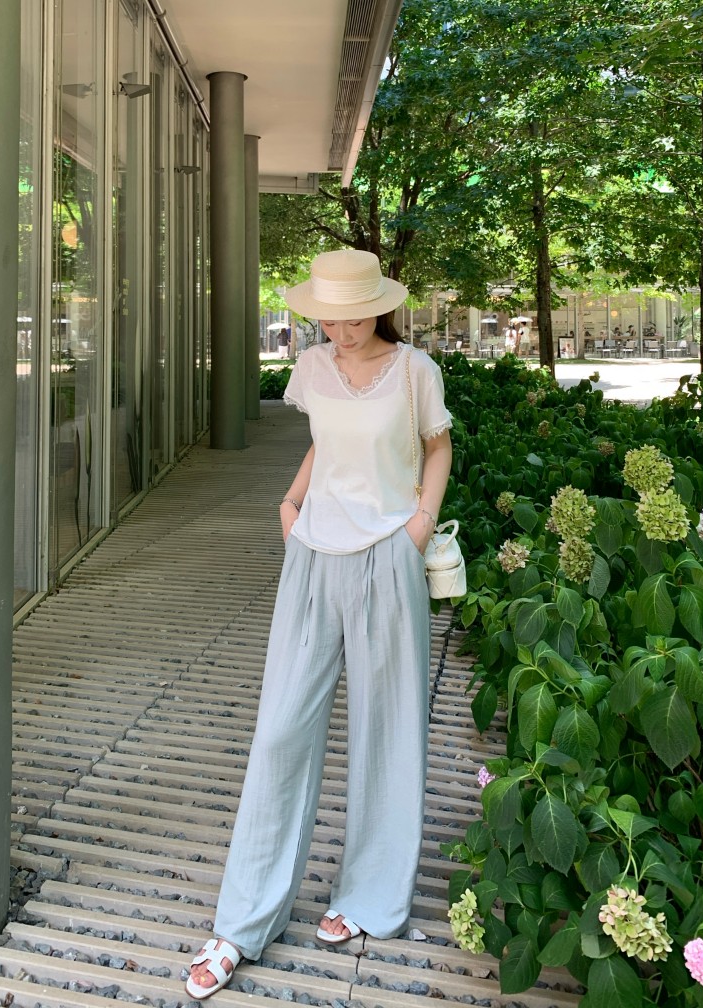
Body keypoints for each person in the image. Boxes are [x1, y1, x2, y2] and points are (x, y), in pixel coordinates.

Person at [186, 249, 453, 1001]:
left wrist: (418, 527)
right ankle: (242, 923)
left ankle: (368, 897)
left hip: (388, 554)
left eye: (354, 314)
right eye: (329, 317)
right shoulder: (310, 367)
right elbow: (326, 443)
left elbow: (437, 447)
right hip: (312, 555)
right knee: (280, 731)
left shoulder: (415, 372)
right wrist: (289, 502)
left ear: (379, 306)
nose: (341, 328)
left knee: (385, 730)